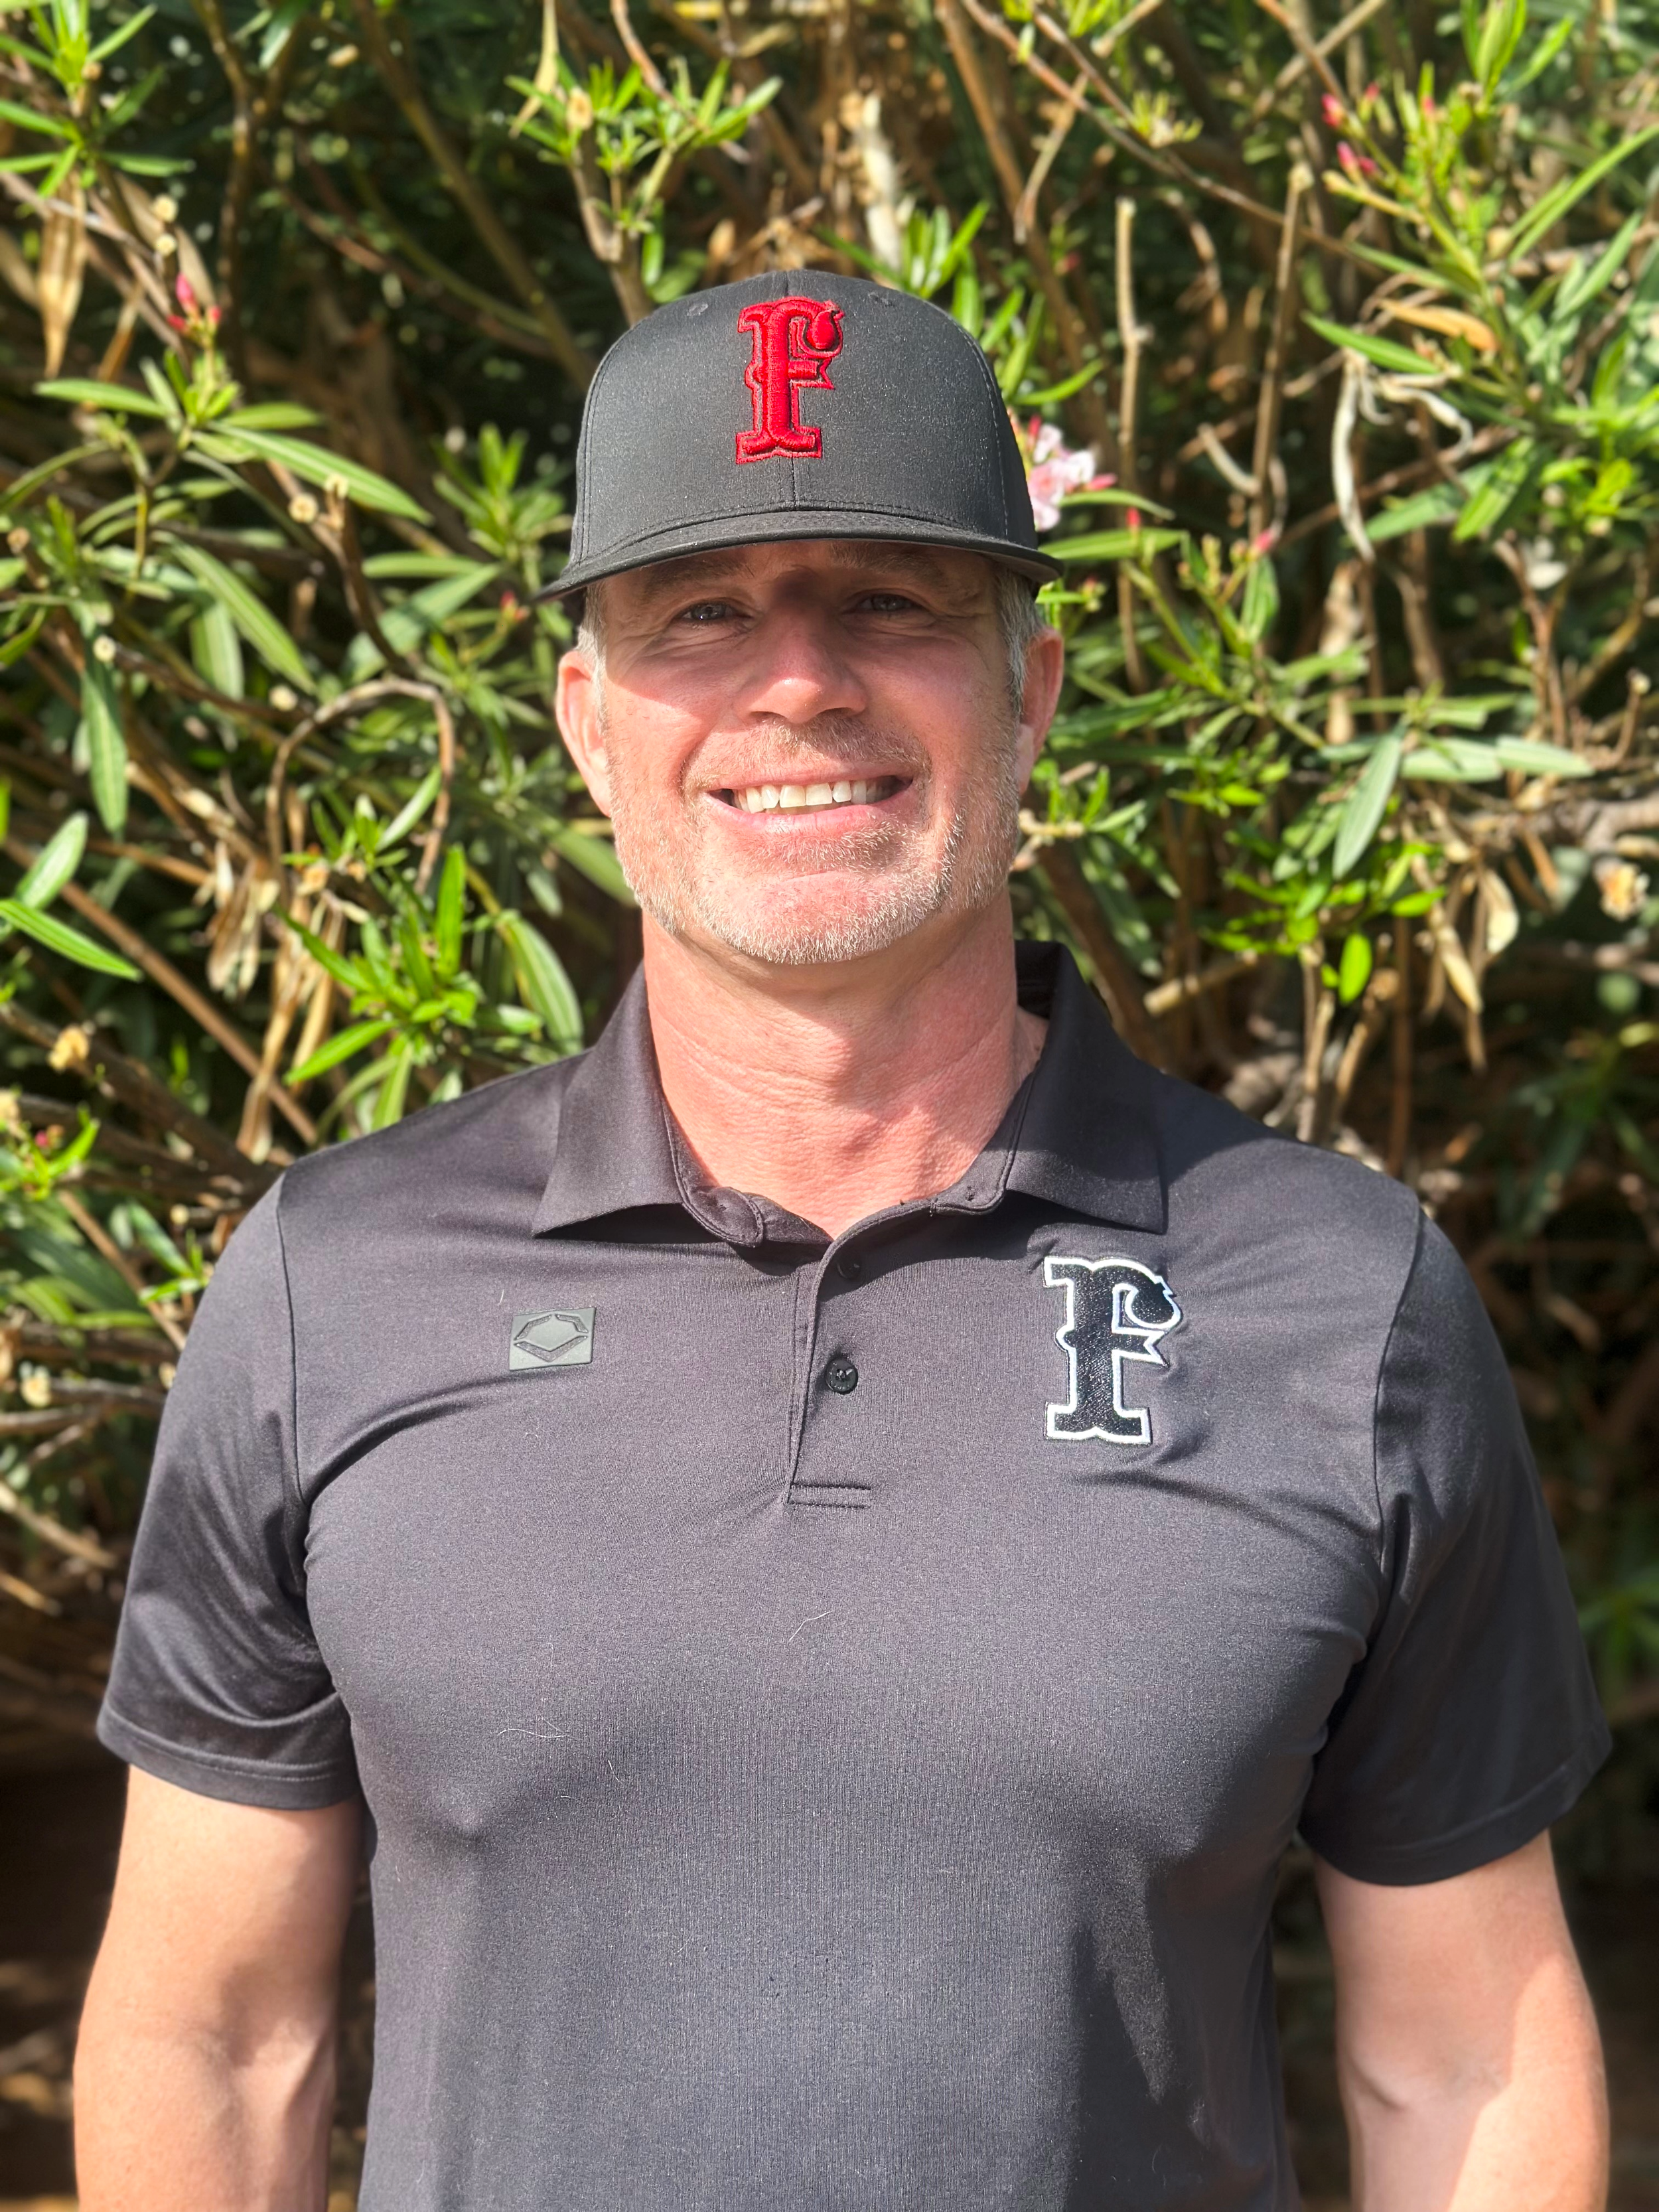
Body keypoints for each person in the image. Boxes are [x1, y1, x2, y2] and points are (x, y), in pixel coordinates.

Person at [76, 273, 1611, 2212]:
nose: (797, 681)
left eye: (891, 598)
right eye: (698, 613)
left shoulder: (1333, 1298)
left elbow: (1463, 2058)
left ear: (1030, 684)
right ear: (585, 720)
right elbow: (213, 2037)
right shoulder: (334, 1285)